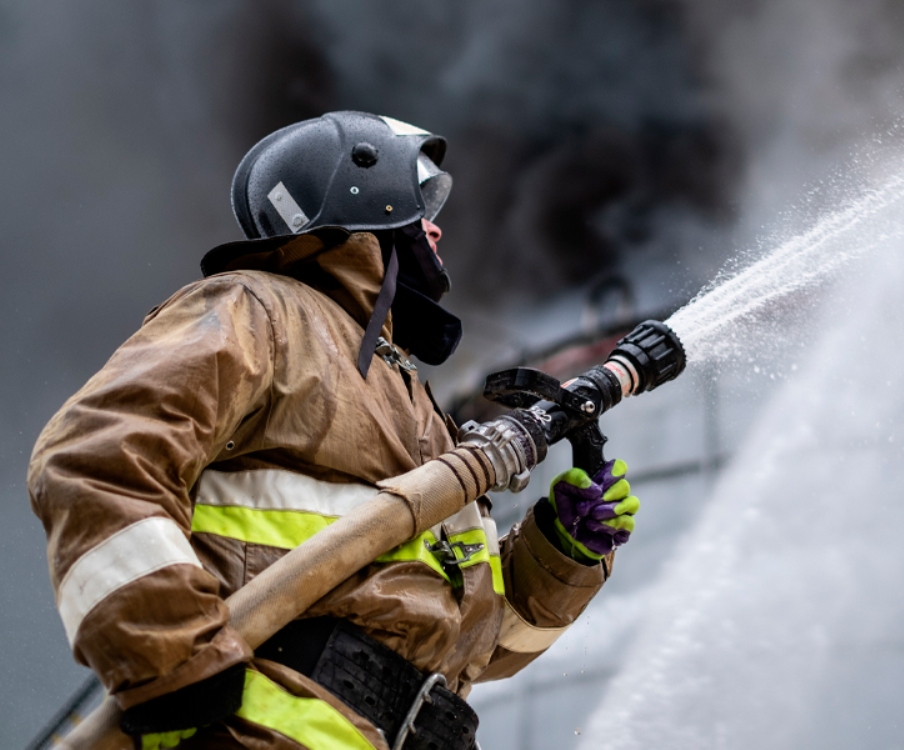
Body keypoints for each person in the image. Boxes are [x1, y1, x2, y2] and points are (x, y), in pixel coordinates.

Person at [28, 111, 639, 750]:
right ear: (364, 192)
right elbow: (96, 456)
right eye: (420, 197)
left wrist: (562, 554)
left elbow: (472, 646)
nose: (435, 225)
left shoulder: (419, 408)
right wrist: (168, 657)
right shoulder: (258, 309)